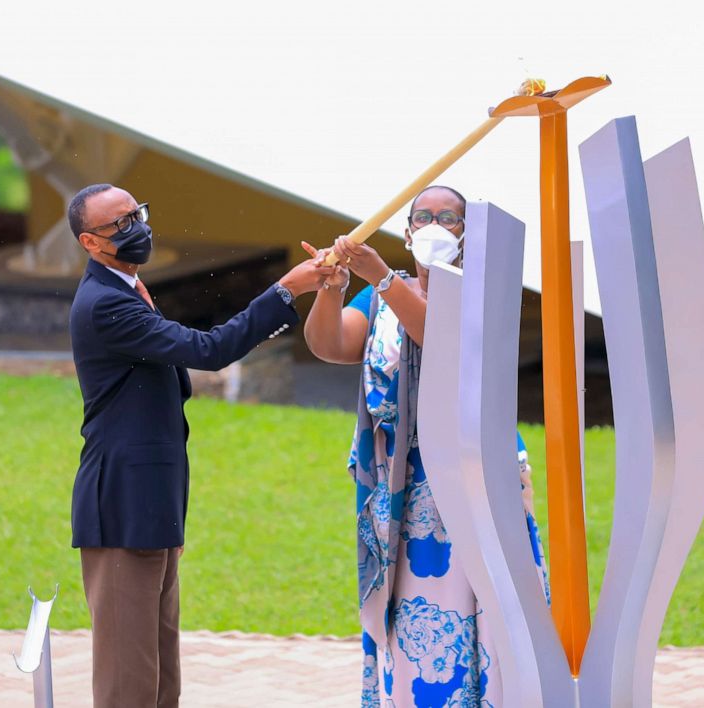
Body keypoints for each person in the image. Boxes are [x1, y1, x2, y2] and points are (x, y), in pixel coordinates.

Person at [66, 183, 331, 708]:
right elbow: (208, 352)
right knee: (128, 678)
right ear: (90, 243)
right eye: (117, 225)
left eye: (136, 214)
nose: (135, 228)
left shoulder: (126, 288)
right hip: (121, 503)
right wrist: (286, 290)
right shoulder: (105, 306)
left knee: (161, 670)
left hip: (154, 500)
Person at [303, 185, 550, 707]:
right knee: (415, 607)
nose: (436, 225)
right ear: (409, 230)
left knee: (481, 599)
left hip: (471, 475)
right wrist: (332, 287)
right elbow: (332, 344)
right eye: (424, 217)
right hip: (402, 482)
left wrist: (383, 277)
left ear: (466, 234)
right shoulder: (378, 298)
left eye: (450, 218)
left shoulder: (479, 290)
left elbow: (439, 339)